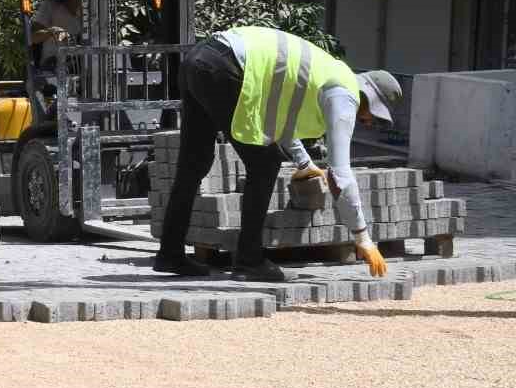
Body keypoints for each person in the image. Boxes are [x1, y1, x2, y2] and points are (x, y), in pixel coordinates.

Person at [153, 26, 405, 283]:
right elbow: (340, 175)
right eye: (373, 116)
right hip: (223, 67)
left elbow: (278, 125)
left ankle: (170, 254)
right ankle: (249, 261)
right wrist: (363, 238)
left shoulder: (323, 74)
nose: (370, 123)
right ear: (368, 98)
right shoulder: (344, 94)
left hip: (199, 61)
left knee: (193, 164)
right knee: (264, 163)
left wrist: (304, 163)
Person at [31, 0, 83, 68]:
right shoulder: (49, 5)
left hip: (82, 65)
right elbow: (33, 36)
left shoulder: (89, 4)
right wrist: (51, 31)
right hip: (53, 64)